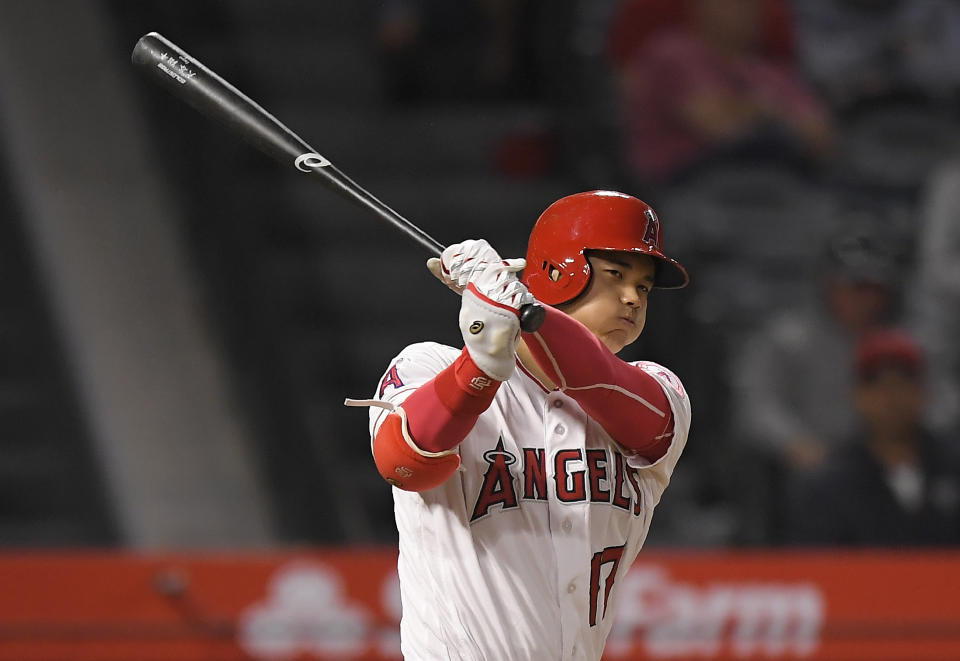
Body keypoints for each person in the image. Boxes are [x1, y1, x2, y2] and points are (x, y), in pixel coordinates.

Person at [349, 191, 691, 658]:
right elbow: (403, 461)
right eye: (615, 275)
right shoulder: (427, 365)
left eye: (644, 287)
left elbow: (598, 378)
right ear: (556, 269)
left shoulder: (657, 390)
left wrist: (525, 311)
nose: (632, 298)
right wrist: (480, 368)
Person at [618, 0, 832, 186]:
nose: (740, 11)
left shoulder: (772, 71)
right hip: (686, 187)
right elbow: (718, 124)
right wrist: (778, 115)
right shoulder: (673, 53)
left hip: (780, 185)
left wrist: (758, 112)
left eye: (749, 4)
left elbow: (823, 140)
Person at [786, 329, 960, 546]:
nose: (891, 399)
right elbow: (815, 570)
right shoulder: (825, 484)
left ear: (923, 392)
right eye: (878, 386)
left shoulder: (952, 467)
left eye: (903, 384)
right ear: (857, 395)